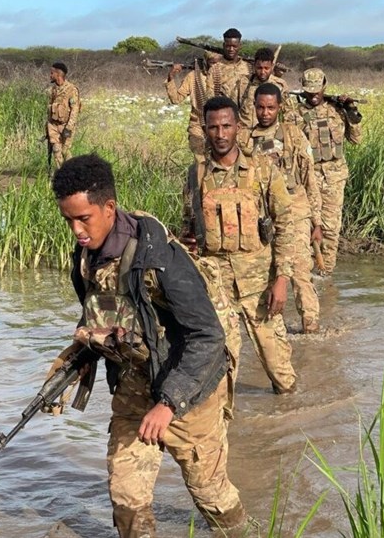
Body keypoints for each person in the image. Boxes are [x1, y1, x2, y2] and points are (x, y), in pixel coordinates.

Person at [51, 154, 251, 537]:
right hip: (137, 378)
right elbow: (101, 312)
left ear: (109, 208)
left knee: (210, 493)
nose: (76, 230)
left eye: (83, 218)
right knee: (125, 494)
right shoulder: (86, 255)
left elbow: (208, 337)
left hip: (191, 381)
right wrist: (80, 355)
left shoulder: (160, 260)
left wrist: (169, 403)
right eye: (68, 220)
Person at [182, 96, 298, 394]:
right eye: (213, 128)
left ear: (238, 127)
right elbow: (188, 228)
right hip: (216, 286)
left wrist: (283, 280)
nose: (220, 135)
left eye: (226, 126)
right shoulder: (196, 176)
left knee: (281, 375)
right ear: (204, 130)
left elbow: (286, 224)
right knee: (221, 371)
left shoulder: (262, 171)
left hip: (260, 286)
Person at [239, 83, 322, 333]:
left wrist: (317, 223)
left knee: (298, 272)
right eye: (261, 108)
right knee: (265, 272)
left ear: (280, 108)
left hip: (294, 211)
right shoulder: (244, 139)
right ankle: (272, 330)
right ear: (254, 107)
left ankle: (311, 328)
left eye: (270, 108)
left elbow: (309, 178)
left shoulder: (293, 135)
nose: (265, 113)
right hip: (261, 216)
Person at [289, 68, 362, 275]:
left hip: (333, 177)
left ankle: (326, 274)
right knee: (305, 227)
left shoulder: (337, 111)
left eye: (317, 91)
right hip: (306, 178)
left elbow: (356, 140)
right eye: (309, 92)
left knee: (330, 229)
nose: (313, 96)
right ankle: (305, 274)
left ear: (324, 87)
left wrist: (351, 111)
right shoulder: (295, 115)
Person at [165, 51, 221, 165]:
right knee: (200, 160)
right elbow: (176, 99)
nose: (214, 66)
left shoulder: (224, 77)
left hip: (218, 124)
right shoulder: (193, 76)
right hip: (198, 123)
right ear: (205, 62)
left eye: (217, 63)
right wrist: (170, 78)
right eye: (211, 63)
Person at [237, 47, 289, 128]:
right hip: (245, 133)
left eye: (266, 68)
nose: (262, 72)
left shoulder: (280, 85)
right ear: (254, 66)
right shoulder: (243, 82)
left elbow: (287, 113)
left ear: (272, 66)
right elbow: (234, 107)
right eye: (259, 68)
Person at [46, 62, 81, 167]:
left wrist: (69, 127)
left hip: (65, 125)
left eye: (52, 73)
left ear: (58, 74)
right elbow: (51, 108)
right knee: (56, 149)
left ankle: (72, 171)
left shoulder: (71, 89)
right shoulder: (53, 90)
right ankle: (60, 174)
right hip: (53, 125)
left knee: (65, 150)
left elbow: (75, 109)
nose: (50, 75)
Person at [206, 28, 251, 105]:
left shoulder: (249, 68)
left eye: (234, 46)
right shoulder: (215, 69)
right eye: (228, 46)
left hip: (245, 114)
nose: (231, 49)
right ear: (223, 45)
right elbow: (210, 96)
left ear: (240, 46)